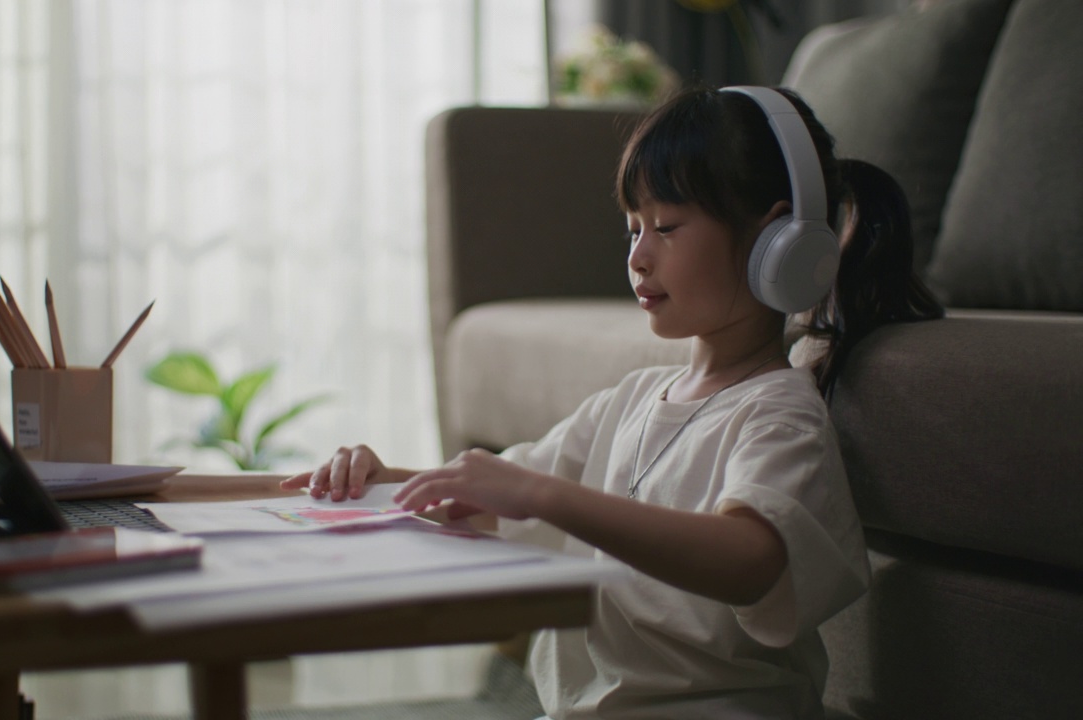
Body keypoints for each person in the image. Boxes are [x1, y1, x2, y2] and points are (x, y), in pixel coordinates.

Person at [282, 85, 943, 719]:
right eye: (633, 230)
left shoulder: (777, 412)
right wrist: (384, 481)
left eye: (667, 226)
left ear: (776, 241)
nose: (638, 256)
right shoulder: (629, 402)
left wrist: (546, 496)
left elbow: (750, 560)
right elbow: (494, 494)